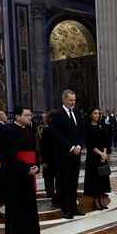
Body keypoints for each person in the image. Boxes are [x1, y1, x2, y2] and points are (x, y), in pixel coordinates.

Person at [1, 106, 40, 234]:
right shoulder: (8, 131)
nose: (30, 117)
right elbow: (10, 155)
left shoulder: (29, 130)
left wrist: (36, 166)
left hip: (29, 171)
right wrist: (25, 169)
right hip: (15, 173)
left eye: (30, 115)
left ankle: (31, 231)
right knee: (17, 204)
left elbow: (35, 150)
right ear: (18, 117)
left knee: (29, 202)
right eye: (27, 115)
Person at [51, 89, 85, 219]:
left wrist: (79, 146)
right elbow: (57, 135)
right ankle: (66, 209)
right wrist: (71, 147)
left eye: (74, 100)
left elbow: (82, 131)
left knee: (73, 181)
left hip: (76, 154)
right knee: (63, 182)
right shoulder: (58, 115)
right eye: (70, 100)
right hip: (63, 154)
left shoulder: (77, 112)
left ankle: (74, 207)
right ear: (64, 100)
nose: (73, 102)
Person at [84, 107, 111, 210]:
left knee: (102, 178)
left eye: (98, 113)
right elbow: (89, 143)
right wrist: (100, 153)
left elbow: (106, 140)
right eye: (95, 113)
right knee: (94, 179)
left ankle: (101, 199)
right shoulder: (87, 127)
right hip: (93, 156)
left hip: (102, 156)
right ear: (91, 115)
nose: (97, 115)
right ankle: (95, 201)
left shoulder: (102, 125)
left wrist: (104, 153)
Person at [40, 109, 57, 206]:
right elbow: (44, 147)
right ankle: (55, 197)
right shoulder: (47, 130)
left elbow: (44, 147)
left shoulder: (49, 129)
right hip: (52, 158)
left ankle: (55, 197)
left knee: (51, 179)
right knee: (50, 179)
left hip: (54, 158)